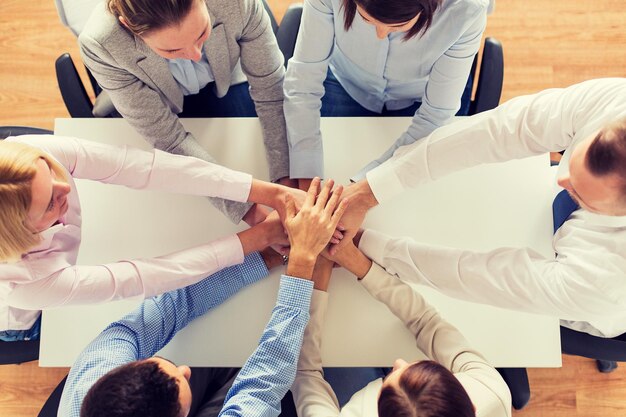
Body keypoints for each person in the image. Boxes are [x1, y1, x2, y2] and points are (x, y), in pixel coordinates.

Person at [333, 78, 626, 347]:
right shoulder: (616, 103)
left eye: (579, 191)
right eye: (574, 160)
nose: (561, 179)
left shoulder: (603, 282)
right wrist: (369, 191)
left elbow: (477, 276)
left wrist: (365, 246)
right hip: (537, 214)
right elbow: (500, 130)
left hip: (574, 298)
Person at [58, 178, 349, 417]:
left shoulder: (96, 369)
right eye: (182, 380)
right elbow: (264, 382)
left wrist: (267, 254)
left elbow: (175, 304)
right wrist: (302, 259)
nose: (184, 369)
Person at [0, 134, 305, 340]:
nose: (64, 185)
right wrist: (260, 236)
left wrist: (274, 193)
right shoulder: (26, 286)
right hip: (21, 314)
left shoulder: (32, 153)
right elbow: (144, 277)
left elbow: (149, 169)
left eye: (52, 171)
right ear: (23, 232)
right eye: (51, 201)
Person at [80, 0, 294, 225]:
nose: (194, 54)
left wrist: (286, 185)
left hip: (226, 80)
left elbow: (272, 91)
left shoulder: (235, 3)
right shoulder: (101, 43)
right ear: (128, 27)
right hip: (160, 100)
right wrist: (253, 214)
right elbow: (170, 140)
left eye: (202, 33)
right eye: (171, 50)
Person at [292, 236, 512, 417]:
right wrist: (358, 263)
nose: (398, 362)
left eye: (387, 382)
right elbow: (426, 320)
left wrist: (317, 270)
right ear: (472, 407)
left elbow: (305, 372)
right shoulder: (489, 391)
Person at [284, 0, 489, 187]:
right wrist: (307, 176)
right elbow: (304, 82)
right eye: (365, 19)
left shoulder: (468, 7)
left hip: (422, 94)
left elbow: (436, 114)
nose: (381, 34)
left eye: (398, 26)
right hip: (345, 81)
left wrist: (364, 188)